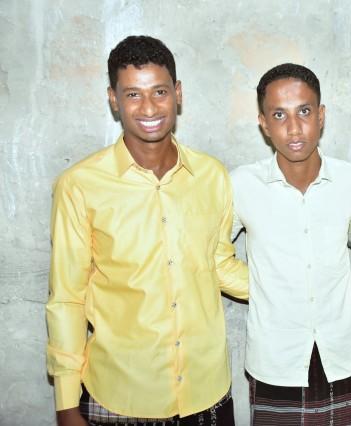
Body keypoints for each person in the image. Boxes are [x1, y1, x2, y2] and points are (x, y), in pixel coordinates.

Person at [46, 35, 247, 426]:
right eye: (133, 95)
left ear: (178, 93)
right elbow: (67, 297)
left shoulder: (211, 176)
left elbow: (219, 265)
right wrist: (66, 403)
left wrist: (303, 287)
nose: (150, 107)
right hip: (120, 396)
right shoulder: (79, 185)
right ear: (113, 99)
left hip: (208, 392)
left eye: (159, 91)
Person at [231, 63, 351, 425]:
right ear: (263, 123)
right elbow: (210, 255)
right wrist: (262, 287)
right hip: (275, 361)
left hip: (341, 357)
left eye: (304, 112)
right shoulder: (242, 185)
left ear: (321, 116)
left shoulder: (350, 180)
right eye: (279, 115)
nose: (293, 128)